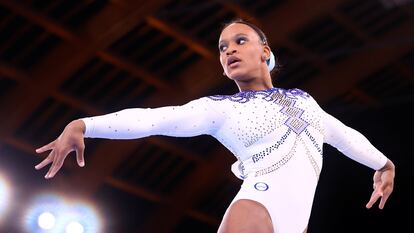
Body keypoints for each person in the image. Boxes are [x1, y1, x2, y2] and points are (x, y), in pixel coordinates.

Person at [34, 19, 395, 233]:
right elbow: (153, 118)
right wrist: (84, 124)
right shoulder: (219, 109)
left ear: (265, 51)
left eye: (240, 41)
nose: (229, 51)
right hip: (259, 203)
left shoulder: (304, 101)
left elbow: (345, 136)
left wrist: (383, 164)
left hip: (296, 223)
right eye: (223, 48)